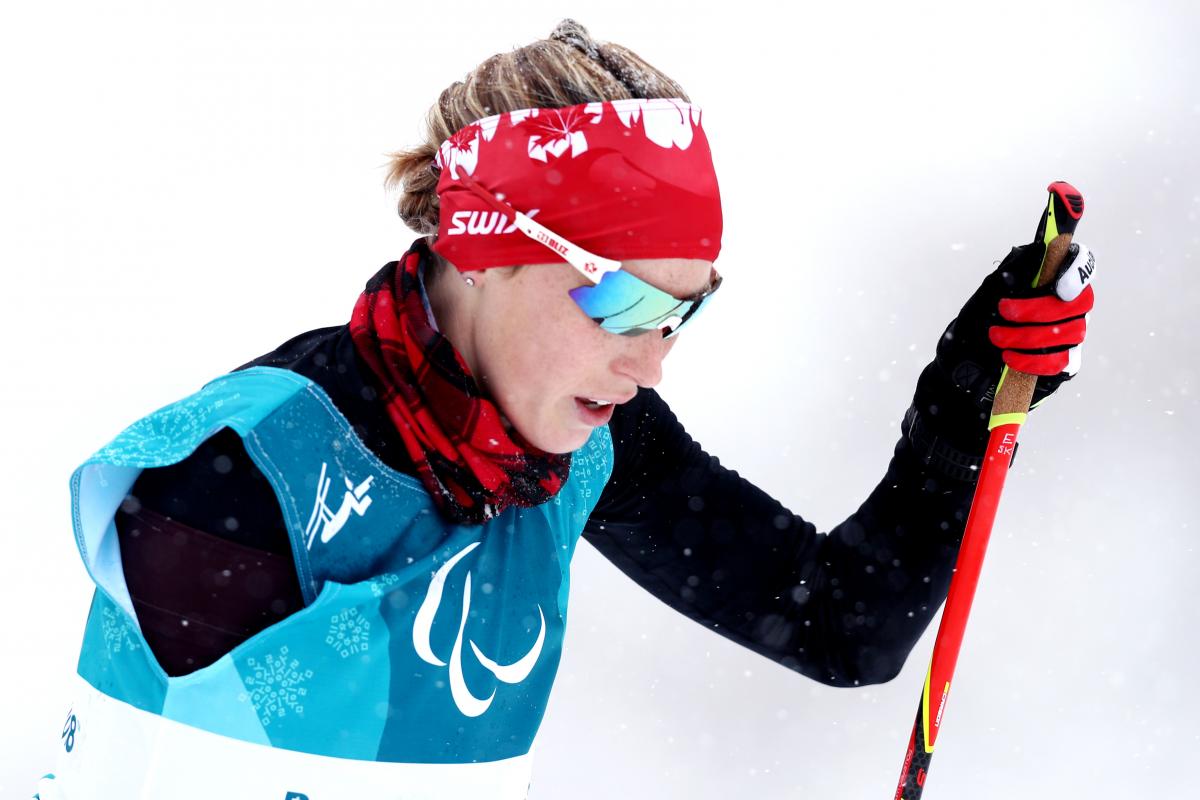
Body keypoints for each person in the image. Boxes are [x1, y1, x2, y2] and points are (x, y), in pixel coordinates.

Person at [37, 18, 1096, 800]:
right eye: (625, 299)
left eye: (684, 311)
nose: (650, 363)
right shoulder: (245, 472)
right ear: (489, 248)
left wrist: (960, 407)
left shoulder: (584, 448)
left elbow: (840, 622)